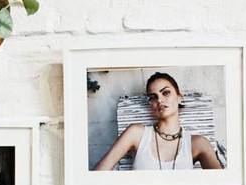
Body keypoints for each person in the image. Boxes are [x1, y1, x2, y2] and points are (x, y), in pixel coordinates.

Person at [95, 72, 223, 171]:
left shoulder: (197, 143)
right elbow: (97, 175)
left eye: (166, 93)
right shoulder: (136, 133)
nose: (160, 100)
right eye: (153, 97)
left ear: (179, 97)